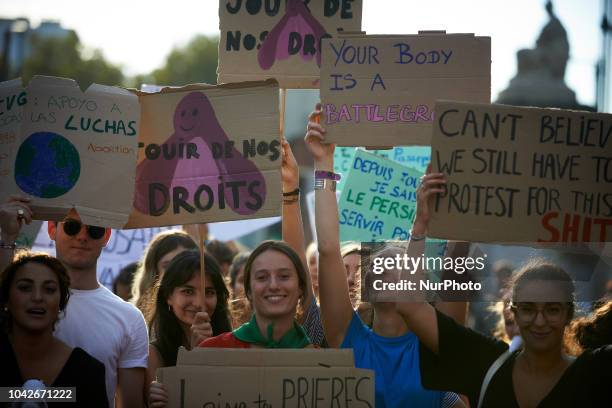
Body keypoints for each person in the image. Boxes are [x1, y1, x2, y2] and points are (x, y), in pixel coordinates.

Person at [393, 169, 612, 407]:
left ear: (569, 314)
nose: (539, 321)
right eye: (528, 309)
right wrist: (421, 225)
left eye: (552, 310)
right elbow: (408, 304)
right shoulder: (485, 362)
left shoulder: (594, 372)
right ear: (512, 312)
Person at [305, 105, 463, 408]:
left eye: (396, 264)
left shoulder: (436, 347)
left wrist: (423, 225)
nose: (382, 268)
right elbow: (327, 247)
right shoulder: (348, 339)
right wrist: (323, 163)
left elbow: (455, 273)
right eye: (377, 265)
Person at [0, 196, 148, 407]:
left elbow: (130, 404)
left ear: (106, 235)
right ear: (52, 228)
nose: (82, 237)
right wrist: (7, 235)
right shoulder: (22, 307)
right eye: (71, 227)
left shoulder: (129, 319)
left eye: (94, 229)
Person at [0, 252, 108, 407]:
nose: (37, 297)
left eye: (49, 289)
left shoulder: (87, 371)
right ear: (6, 299)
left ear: (61, 302)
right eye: (25, 288)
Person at [146, 250, 231, 405]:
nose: (199, 302)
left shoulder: (234, 345)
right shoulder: (153, 355)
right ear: (168, 296)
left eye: (209, 292)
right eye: (188, 291)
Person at [131, 230, 197, 310]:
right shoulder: (136, 318)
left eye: (184, 264)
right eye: (167, 266)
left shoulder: (207, 308)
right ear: (154, 272)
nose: (176, 272)